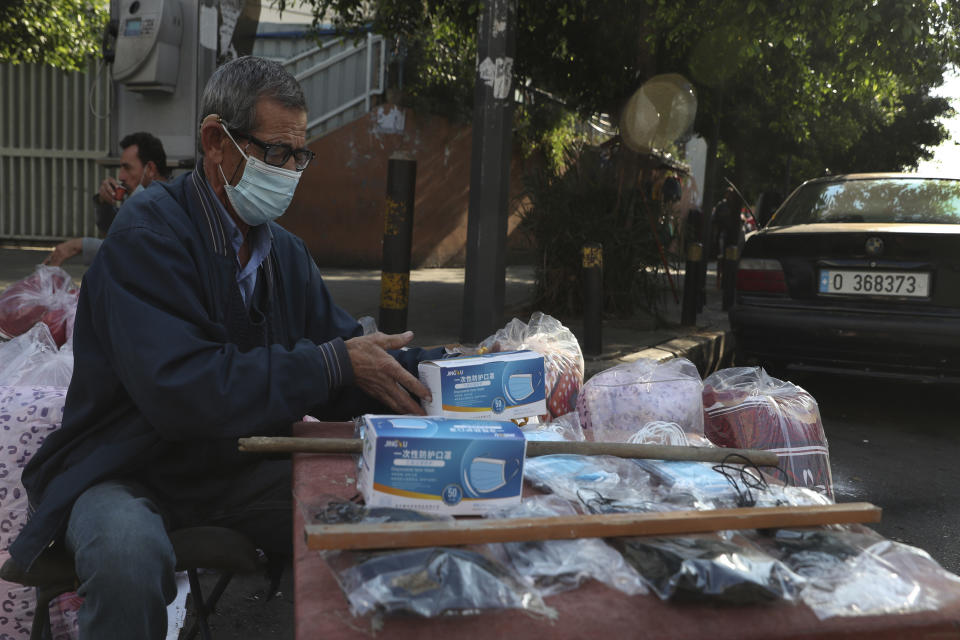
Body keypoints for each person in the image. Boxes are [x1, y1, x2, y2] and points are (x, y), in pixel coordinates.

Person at [10, 56, 443, 638]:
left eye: (299, 157)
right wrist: (332, 363)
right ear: (217, 142)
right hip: (124, 469)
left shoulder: (284, 255)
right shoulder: (147, 236)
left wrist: (453, 380)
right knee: (127, 564)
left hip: (228, 470)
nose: (290, 172)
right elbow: (183, 392)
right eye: (276, 154)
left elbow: (350, 363)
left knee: (380, 503)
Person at [43, 132, 170, 266]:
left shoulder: (167, 204)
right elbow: (113, 232)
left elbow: (129, 250)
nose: (121, 176)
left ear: (150, 169)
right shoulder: (143, 197)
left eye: (127, 168)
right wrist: (104, 203)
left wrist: (79, 245)